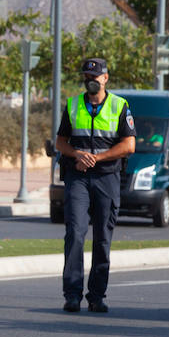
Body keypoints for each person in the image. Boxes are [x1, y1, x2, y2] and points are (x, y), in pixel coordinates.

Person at [56, 57, 135, 313]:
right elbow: (60, 142)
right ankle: (72, 294)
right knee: (75, 233)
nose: (91, 81)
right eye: (87, 77)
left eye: (95, 76)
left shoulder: (119, 106)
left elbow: (129, 146)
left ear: (105, 78)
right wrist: (77, 155)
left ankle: (97, 296)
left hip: (106, 178)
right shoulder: (72, 105)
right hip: (77, 176)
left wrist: (96, 158)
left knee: (102, 238)